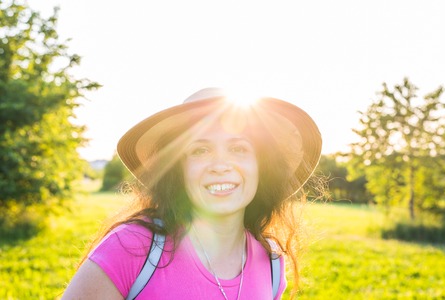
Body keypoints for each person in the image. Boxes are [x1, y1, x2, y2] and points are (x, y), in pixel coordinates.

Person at [62, 87, 322, 299]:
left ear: (261, 166)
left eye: (238, 149)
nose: (220, 165)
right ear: (179, 170)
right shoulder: (132, 248)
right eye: (200, 150)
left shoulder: (272, 263)